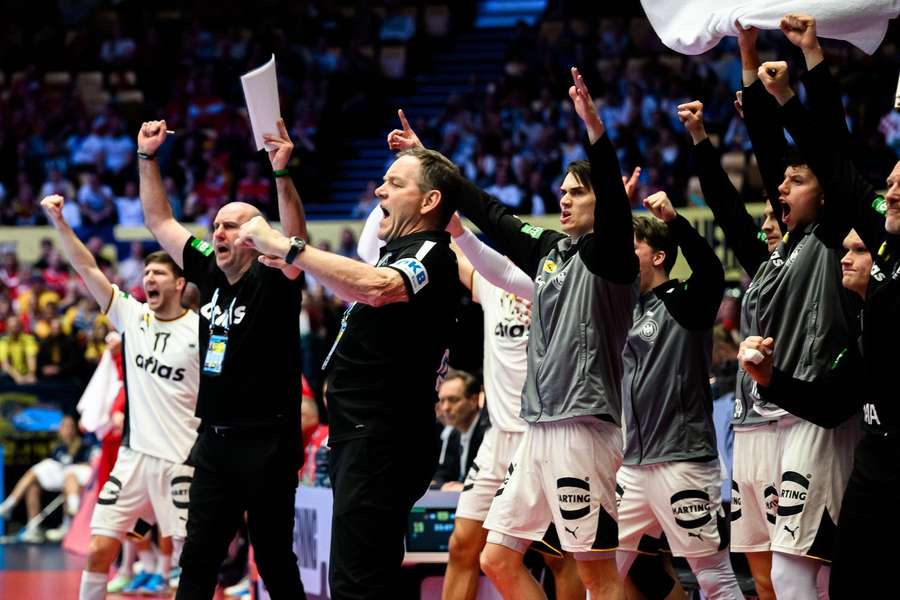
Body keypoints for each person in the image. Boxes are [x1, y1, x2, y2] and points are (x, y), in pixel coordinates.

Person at [418, 67, 638, 600]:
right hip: (539, 427)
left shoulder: (612, 257)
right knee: (496, 557)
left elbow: (611, 198)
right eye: (561, 192)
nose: (563, 200)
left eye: (576, 194)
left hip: (583, 426)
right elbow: (490, 212)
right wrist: (432, 167)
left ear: (601, 205)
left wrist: (595, 131)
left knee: (595, 573)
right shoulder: (550, 253)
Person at [234, 142, 461, 599]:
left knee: (355, 582)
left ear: (429, 201)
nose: (379, 190)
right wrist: (297, 259)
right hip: (366, 434)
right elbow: (359, 283)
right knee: (366, 574)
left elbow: (375, 288)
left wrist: (288, 245)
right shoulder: (398, 254)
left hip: (382, 436)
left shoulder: (432, 253)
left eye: (395, 184)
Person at [751, 28, 900, 592]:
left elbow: (833, 169)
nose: (890, 190)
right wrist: (796, 83)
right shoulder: (880, 241)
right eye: (888, 183)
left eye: (898, 183)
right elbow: (833, 159)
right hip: (876, 450)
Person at [135, 118, 308, 600]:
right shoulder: (209, 269)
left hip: (268, 444)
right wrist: (148, 158)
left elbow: (296, 243)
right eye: (216, 226)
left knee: (274, 558)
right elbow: (160, 222)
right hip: (214, 441)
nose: (219, 232)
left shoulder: (276, 279)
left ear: (255, 235)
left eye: (230, 225)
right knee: (197, 558)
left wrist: (280, 175)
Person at [741, 14, 862, 598]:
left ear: (825, 189)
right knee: (817, 562)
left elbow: (829, 146)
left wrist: (806, 68)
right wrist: (749, 68)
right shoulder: (793, 240)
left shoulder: (837, 231)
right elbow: (769, 156)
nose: (781, 190)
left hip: (826, 412)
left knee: (792, 568)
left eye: (796, 181)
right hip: (795, 406)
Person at [37, 193, 200, 598]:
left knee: (192, 562)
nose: (148, 280)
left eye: (158, 274)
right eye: (145, 274)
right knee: (98, 549)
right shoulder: (132, 315)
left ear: (179, 283)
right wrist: (60, 222)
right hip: (132, 459)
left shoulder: (201, 331)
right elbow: (86, 266)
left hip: (180, 459)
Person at [677, 83, 784, 598]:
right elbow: (723, 205)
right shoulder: (761, 268)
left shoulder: (811, 259)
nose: (765, 226)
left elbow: (784, 170)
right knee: (760, 571)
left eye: (773, 218)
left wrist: (759, 114)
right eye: (762, 218)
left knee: (795, 569)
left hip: (791, 424)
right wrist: (699, 137)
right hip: (749, 427)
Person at [614, 191, 741, 599]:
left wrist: (674, 221)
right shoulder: (623, 308)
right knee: (599, 570)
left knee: (714, 579)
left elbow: (711, 271)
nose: (622, 254)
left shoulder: (686, 301)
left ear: (658, 256)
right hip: (632, 465)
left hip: (682, 460)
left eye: (632, 246)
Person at [0, 415, 95, 543]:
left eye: (69, 426)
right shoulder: (58, 448)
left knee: (70, 477)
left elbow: (90, 465)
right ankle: (16, 511)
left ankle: (69, 524)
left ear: (74, 428)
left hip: (75, 482)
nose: (66, 430)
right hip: (59, 478)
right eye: (63, 426)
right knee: (33, 483)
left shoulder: (84, 445)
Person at [432, 369, 490, 491]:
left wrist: (463, 488)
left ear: (474, 400)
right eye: (442, 401)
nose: (445, 408)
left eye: (453, 400)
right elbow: (439, 476)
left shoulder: (488, 433)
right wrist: (445, 486)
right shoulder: (453, 434)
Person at [0, 315, 38, 384]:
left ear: (20, 326)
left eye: (15, 326)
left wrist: (31, 374)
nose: (13, 329)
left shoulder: (28, 339)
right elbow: (5, 364)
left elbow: (31, 358)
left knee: (33, 380)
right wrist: (17, 376)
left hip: (26, 374)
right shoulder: (3, 341)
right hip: (10, 375)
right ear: (7, 327)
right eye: (11, 327)